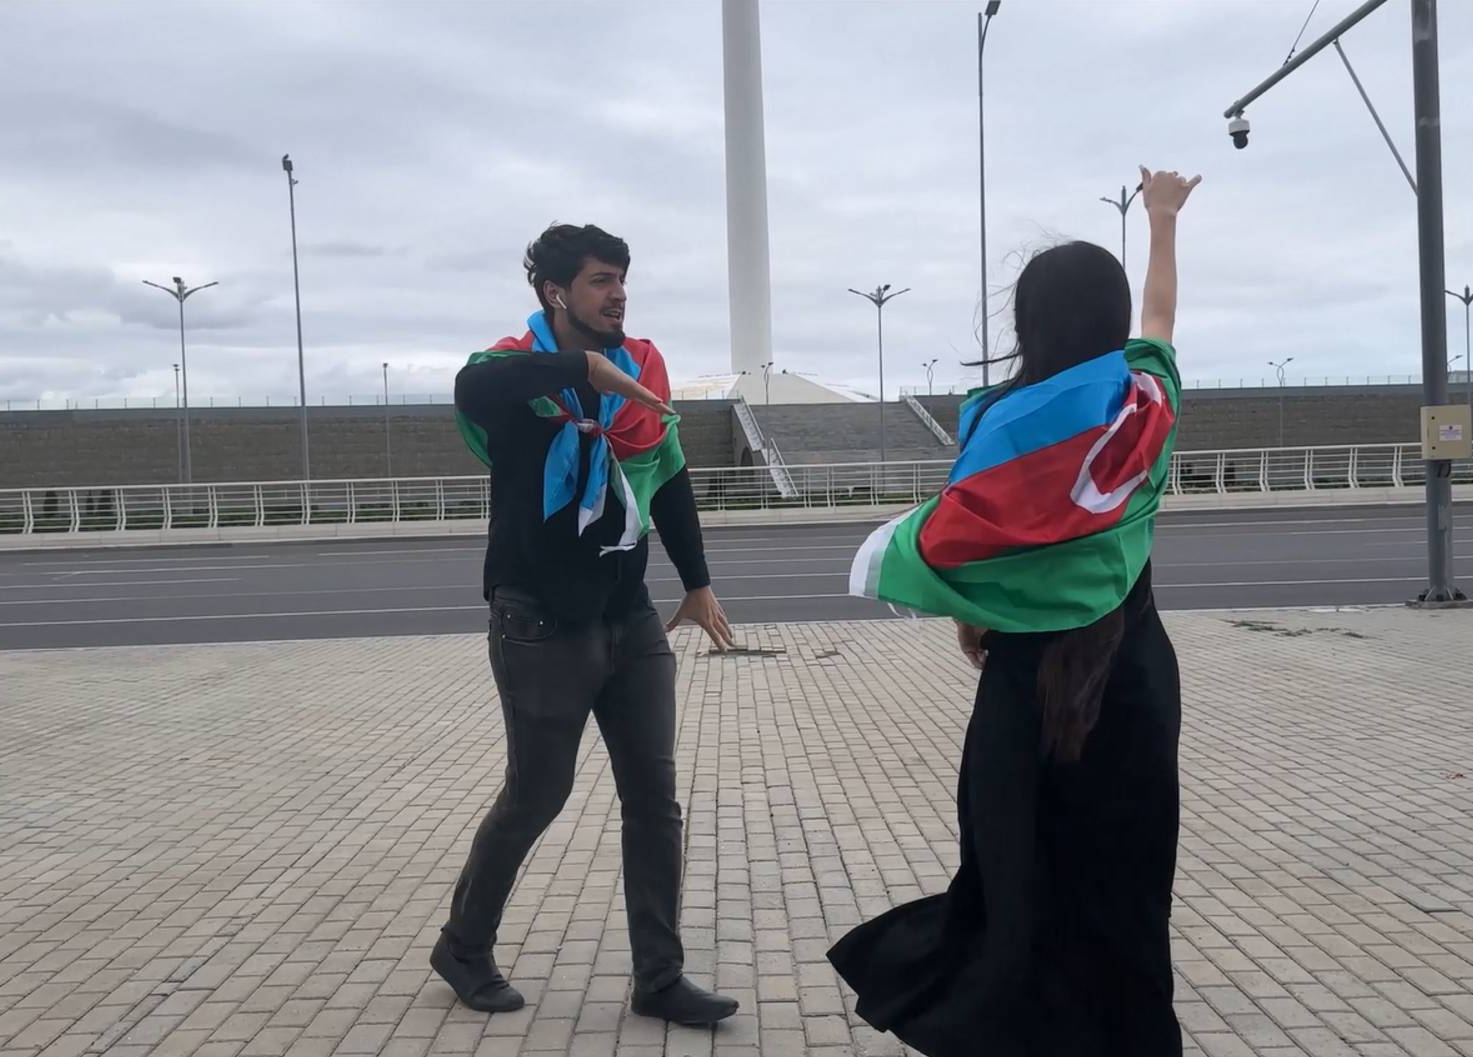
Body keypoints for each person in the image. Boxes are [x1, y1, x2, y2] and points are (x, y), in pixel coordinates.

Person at [831, 166, 1201, 1056]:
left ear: (1023, 326)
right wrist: (1160, 220)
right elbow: (1160, 317)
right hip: (1132, 680)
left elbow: (974, 549)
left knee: (1012, 884)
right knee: (1126, 887)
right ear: (1110, 325)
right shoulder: (1145, 400)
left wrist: (970, 616)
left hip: (1020, 690)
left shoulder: (995, 421)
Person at [434, 223, 741, 1026]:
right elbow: (471, 388)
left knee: (654, 798)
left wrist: (697, 582)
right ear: (555, 292)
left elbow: (667, 474)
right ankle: (463, 946)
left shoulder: (641, 369)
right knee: (537, 793)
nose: (618, 295)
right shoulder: (513, 371)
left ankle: (659, 976)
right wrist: (582, 369)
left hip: (626, 613)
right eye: (601, 281)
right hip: (538, 617)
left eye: (621, 279)